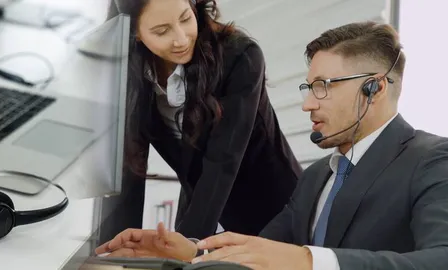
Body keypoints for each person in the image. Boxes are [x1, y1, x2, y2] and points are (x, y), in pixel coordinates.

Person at [94, 21, 448, 270]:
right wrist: (191, 253)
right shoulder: (314, 180)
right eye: (308, 88)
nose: (308, 104)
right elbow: (257, 254)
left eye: (324, 85)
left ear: (375, 88)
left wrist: (306, 260)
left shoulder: (432, 161)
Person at [98, 0, 302, 244]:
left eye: (186, 18)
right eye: (162, 31)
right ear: (134, 33)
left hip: (272, 205)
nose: (182, 39)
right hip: (199, 204)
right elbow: (129, 164)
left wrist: (188, 242)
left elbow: (223, 161)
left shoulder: (239, 56)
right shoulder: (129, 73)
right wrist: (114, 247)